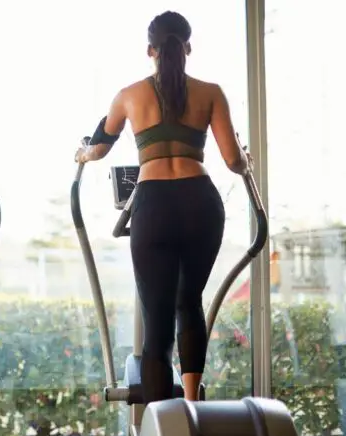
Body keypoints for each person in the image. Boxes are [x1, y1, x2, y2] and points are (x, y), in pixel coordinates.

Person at [74, 10, 252, 403]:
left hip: (154, 206)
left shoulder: (128, 95)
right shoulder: (211, 92)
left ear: (149, 50)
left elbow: (99, 148)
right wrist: (247, 160)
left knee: (156, 321)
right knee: (189, 303)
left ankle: (161, 428)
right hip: (200, 203)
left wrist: (81, 155)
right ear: (187, 47)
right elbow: (233, 160)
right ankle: (191, 406)